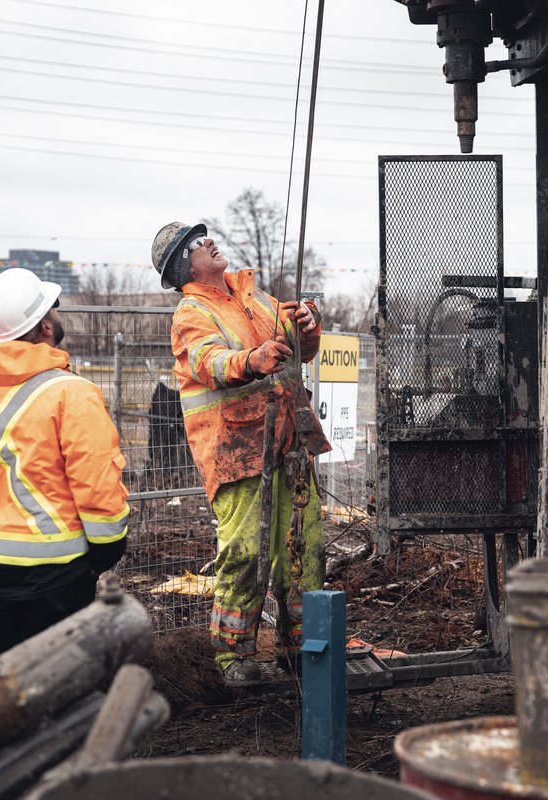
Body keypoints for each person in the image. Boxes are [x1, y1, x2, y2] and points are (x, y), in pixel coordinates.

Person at [151, 221, 331, 686]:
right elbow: (207, 362)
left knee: (303, 548)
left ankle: (302, 650)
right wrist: (251, 360)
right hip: (239, 450)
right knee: (247, 553)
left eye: (205, 236)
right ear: (182, 265)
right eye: (196, 243)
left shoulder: (254, 296)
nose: (208, 242)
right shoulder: (192, 313)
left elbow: (298, 349)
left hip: (291, 441)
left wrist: (306, 328)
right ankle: (233, 659)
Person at [0, 268, 130, 657]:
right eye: (55, 310)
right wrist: (107, 549)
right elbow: (95, 483)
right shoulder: (72, 393)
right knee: (63, 678)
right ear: (45, 326)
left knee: (10, 674)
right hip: (58, 569)